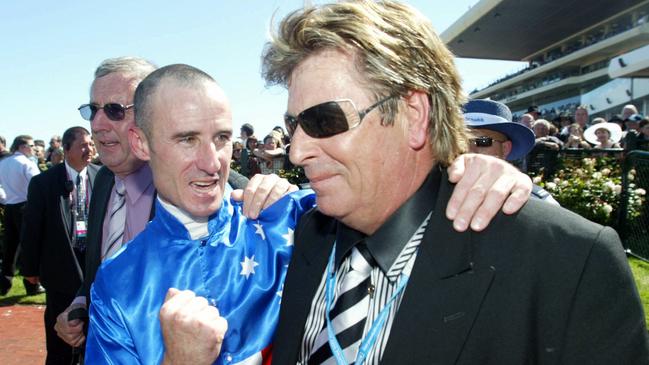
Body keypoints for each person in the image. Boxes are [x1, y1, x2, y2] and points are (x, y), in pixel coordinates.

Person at [258, 1, 648, 364]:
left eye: (324, 121)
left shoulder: (566, 264)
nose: (296, 152)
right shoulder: (304, 236)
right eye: (295, 125)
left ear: (413, 114)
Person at [54, 57, 276, 354]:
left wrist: (272, 194)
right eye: (93, 110)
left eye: (115, 111)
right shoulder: (102, 180)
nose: (97, 124)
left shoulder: (232, 193)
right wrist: (83, 300)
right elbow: (105, 271)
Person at [20, 126, 99, 365]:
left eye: (91, 144)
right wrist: (30, 269)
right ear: (66, 149)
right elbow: (32, 229)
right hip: (60, 271)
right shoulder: (43, 183)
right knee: (60, 343)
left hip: (94, 272)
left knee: (93, 337)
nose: (90, 150)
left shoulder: (103, 176)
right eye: (83, 145)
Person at [464, 99, 559, 205]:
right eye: (461, 141)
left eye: (483, 141)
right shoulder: (442, 190)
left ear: (505, 148)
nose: (469, 150)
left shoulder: (540, 205)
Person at [0, 135, 42, 296]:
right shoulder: (26, 163)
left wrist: (6, 199)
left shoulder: (3, 163)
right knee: (28, 246)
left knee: (10, 247)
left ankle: (4, 283)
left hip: (9, 206)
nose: (33, 148)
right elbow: (37, 184)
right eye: (31, 145)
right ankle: (31, 284)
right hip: (25, 206)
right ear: (22, 146)